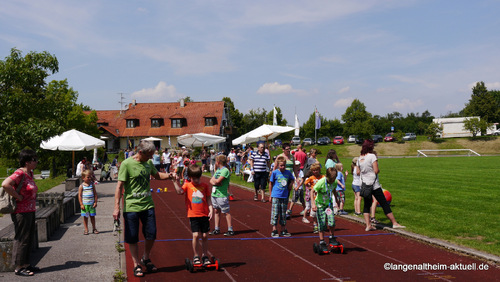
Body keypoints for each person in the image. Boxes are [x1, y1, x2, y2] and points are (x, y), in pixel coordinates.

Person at [113, 140, 176, 277]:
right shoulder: (126, 164)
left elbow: (157, 175)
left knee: (151, 234)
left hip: (148, 205)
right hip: (131, 206)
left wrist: (169, 175)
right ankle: (136, 264)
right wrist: (116, 207)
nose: (151, 158)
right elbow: (119, 187)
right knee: (132, 237)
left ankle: (145, 257)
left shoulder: (148, 163)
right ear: (140, 152)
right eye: (149, 155)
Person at [1, 149, 40, 276]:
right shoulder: (19, 173)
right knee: (22, 237)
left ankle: (26, 264)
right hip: (21, 211)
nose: (36, 162)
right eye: (34, 160)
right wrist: (18, 196)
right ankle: (18, 267)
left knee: (28, 237)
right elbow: (5, 184)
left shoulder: (30, 173)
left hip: (30, 209)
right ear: (27, 162)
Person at [358, 140, 405, 231]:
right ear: (370, 147)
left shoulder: (360, 158)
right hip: (374, 184)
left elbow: (358, 171)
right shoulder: (372, 156)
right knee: (383, 203)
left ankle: (368, 225)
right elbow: (376, 170)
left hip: (364, 184)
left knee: (366, 205)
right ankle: (394, 223)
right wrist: (377, 170)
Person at [172, 164, 214, 266]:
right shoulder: (187, 185)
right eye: (194, 178)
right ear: (190, 177)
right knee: (195, 235)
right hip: (193, 215)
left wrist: (211, 209)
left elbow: (208, 198)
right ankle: (196, 255)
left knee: (204, 236)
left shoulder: (204, 186)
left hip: (204, 214)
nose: (196, 180)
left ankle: (204, 255)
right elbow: (179, 192)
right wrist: (174, 181)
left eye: (198, 178)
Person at [311, 167, 342, 252]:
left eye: (333, 179)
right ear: (327, 176)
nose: (332, 181)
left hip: (328, 205)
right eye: (331, 180)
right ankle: (322, 241)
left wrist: (337, 200)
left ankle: (332, 237)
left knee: (332, 222)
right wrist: (313, 204)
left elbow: (334, 190)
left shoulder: (334, 182)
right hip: (320, 205)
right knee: (322, 223)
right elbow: (312, 191)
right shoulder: (321, 182)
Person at [269, 156, 294, 237]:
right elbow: (270, 183)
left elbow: (292, 179)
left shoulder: (288, 173)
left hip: (284, 196)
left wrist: (290, 184)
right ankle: (274, 229)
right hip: (276, 195)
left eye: (284, 165)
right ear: (278, 165)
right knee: (275, 213)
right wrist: (270, 195)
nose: (282, 167)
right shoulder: (275, 173)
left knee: (283, 214)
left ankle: (283, 229)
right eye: (281, 166)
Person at [209, 154, 234, 236]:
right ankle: (217, 229)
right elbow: (211, 181)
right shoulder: (218, 171)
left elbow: (217, 181)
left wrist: (215, 181)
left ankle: (230, 229)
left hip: (222, 195)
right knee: (216, 211)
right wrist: (215, 181)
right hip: (215, 194)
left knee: (226, 212)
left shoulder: (225, 170)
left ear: (218, 162)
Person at [304, 163, 324, 233]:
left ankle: (321, 225)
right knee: (314, 213)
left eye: (317, 170)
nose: (315, 172)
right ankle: (315, 225)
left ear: (319, 170)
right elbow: (305, 182)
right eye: (314, 170)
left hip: (321, 198)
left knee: (322, 212)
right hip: (314, 198)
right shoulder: (311, 178)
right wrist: (310, 187)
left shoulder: (322, 177)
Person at [78, 169, 98, 235]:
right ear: (83, 178)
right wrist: (81, 204)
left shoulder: (92, 185)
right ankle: (86, 229)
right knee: (85, 217)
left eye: (90, 177)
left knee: (92, 216)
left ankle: (94, 228)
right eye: (88, 177)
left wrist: (95, 202)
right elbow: (80, 196)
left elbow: (95, 194)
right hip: (85, 205)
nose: (89, 178)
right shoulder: (81, 186)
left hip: (91, 204)